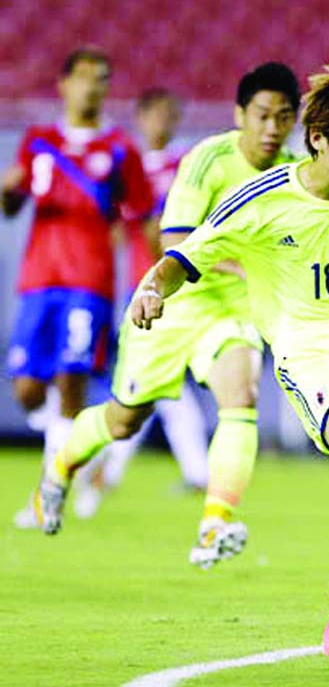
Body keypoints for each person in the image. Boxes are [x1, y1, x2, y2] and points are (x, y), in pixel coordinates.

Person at [38, 59, 329, 655]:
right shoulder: (253, 192)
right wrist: (150, 289)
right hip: (307, 348)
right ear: (317, 139)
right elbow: (184, 253)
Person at [30, 62, 301, 570]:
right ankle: (61, 465)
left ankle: (214, 523)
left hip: (233, 312)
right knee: (123, 420)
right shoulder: (207, 160)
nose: (271, 127)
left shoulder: (295, 175)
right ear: (240, 113)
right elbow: (174, 242)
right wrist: (246, 265)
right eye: (262, 114)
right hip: (172, 303)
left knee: (240, 397)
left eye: (283, 117)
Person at [2, 46, 153, 528]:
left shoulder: (120, 150)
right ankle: (78, 454)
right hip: (38, 280)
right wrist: (7, 191)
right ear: (64, 84)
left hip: (88, 282)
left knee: (71, 381)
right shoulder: (38, 141)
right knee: (27, 389)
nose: (93, 86)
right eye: (85, 77)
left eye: (102, 79)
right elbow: (12, 206)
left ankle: (51, 491)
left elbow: (145, 216)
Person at [74, 88, 211, 518]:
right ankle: (188, 472)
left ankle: (103, 474)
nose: (163, 123)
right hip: (140, 288)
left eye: (171, 114)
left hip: (182, 286)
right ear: (141, 117)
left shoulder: (184, 164)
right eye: (156, 114)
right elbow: (114, 224)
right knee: (153, 388)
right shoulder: (126, 167)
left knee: (154, 387)